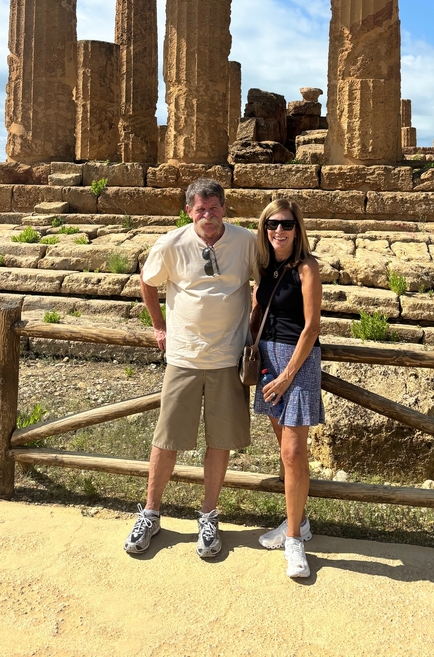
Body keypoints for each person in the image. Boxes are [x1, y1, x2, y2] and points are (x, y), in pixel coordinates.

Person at [124, 178, 260, 559]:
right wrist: (159, 326)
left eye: (214, 207)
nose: (208, 215)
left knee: (219, 440)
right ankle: (150, 512)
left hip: (227, 357)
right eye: (200, 209)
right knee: (167, 438)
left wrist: (253, 329)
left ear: (224, 208)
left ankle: (208, 514)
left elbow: (260, 285)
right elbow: (148, 283)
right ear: (189, 212)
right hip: (183, 357)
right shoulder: (171, 243)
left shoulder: (246, 241)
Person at [252, 198, 324, 580]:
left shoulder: (307, 268)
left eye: (285, 224)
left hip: (298, 362)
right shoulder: (265, 268)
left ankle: (294, 540)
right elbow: (258, 314)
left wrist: (286, 376)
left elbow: (311, 327)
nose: (278, 230)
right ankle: (300, 520)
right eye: (271, 224)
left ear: (298, 230)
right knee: (284, 450)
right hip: (268, 360)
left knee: (294, 452)